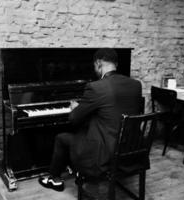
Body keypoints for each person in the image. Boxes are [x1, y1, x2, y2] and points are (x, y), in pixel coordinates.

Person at [38, 48, 142, 192]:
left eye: (94, 66)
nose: (94, 69)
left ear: (99, 63)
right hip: (131, 151)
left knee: (61, 138)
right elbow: (114, 111)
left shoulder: (96, 87)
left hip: (104, 156)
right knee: (85, 130)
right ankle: (72, 166)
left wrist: (76, 108)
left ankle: (54, 177)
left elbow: (73, 119)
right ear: (116, 64)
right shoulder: (136, 84)